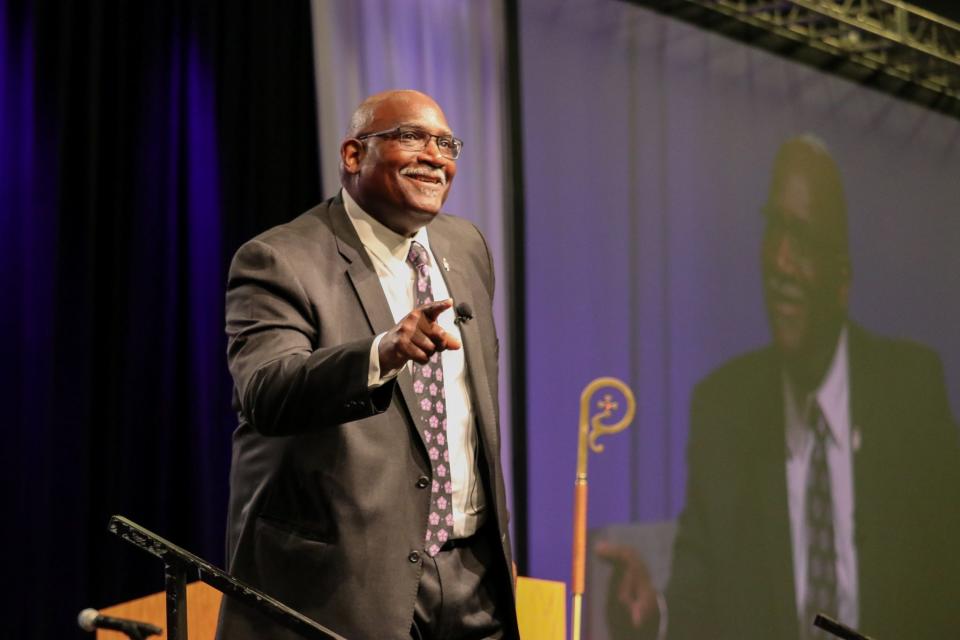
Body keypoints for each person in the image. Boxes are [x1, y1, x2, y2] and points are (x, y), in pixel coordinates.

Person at [600, 135, 960, 640]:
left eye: (804, 238)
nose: (781, 263)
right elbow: (698, 598)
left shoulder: (909, 391)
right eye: (774, 230)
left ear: (843, 276)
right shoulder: (724, 409)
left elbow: (947, 584)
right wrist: (654, 616)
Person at [215, 90, 519, 640]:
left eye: (446, 144)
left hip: (473, 579)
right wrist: (383, 352)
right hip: (349, 584)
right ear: (354, 155)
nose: (435, 155)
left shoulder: (466, 244)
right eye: (411, 137)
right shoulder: (280, 259)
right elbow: (266, 393)